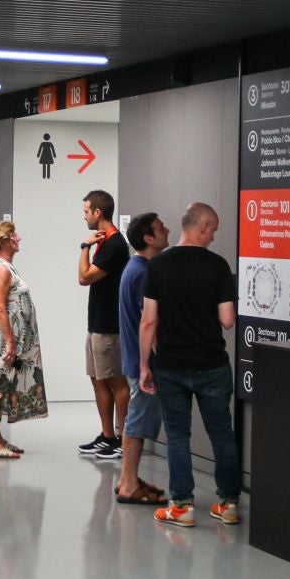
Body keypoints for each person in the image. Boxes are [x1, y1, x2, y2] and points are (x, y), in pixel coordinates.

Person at [139, 202, 241, 528]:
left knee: (178, 436)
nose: (213, 237)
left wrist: (144, 365)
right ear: (202, 227)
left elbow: (148, 321)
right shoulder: (218, 266)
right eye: (213, 230)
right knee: (222, 435)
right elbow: (227, 321)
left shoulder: (157, 266)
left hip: (170, 365)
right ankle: (227, 504)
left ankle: (181, 506)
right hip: (212, 365)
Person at [0, 219, 46, 457]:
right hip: (2, 343)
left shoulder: (2, 265)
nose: (18, 238)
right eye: (14, 235)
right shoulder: (2, 269)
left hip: (5, 340)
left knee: (3, 383)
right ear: (4, 240)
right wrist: (10, 341)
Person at [115, 211, 170, 504]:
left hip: (136, 360)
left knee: (137, 418)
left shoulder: (134, 268)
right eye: (161, 229)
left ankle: (130, 478)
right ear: (148, 238)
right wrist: (152, 363)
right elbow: (149, 322)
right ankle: (127, 483)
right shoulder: (143, 273)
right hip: (142, 362)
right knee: (136, 421)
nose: (167, 230)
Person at [77, 188, 130, 462]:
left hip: (110, 326)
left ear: (99, 212)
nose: (84, 216)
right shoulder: (104, 242)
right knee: (98, 380)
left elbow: (84, 277)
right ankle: (107, 435)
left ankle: (123, 439)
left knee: (116, 382)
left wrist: (84, 247)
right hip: (96, 323)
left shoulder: (114, 246)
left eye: (86, 211)